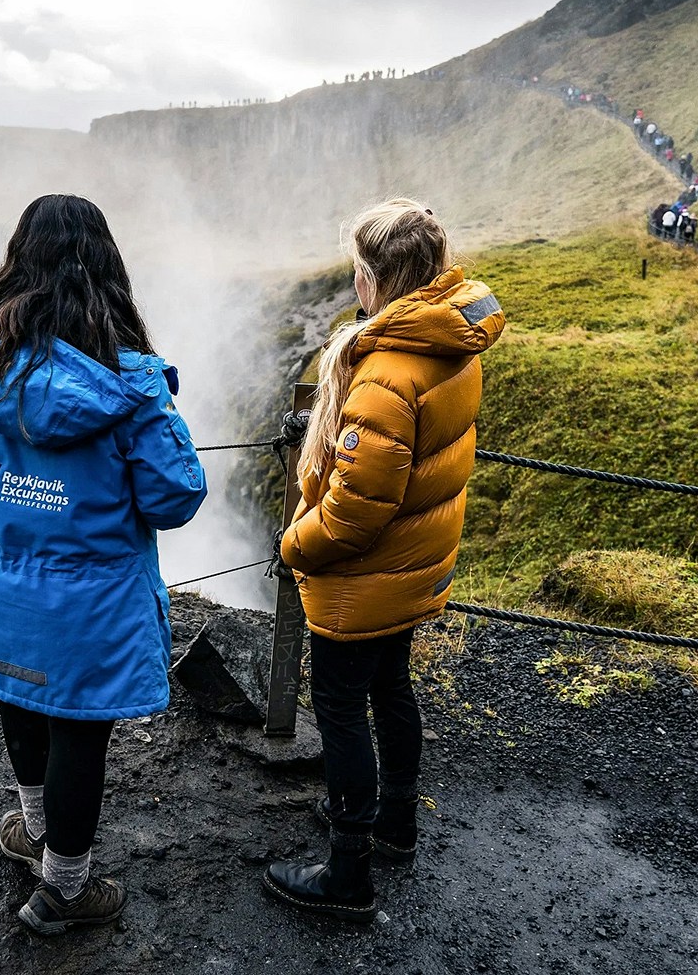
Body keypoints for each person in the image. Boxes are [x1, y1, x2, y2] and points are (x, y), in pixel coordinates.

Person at [0, 194, 207, 936]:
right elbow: (175, 497)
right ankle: (64, 890)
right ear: (105, 269)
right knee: (80, 731)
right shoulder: (128, 384)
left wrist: (5, 487)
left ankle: (31, 831)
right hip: (91, 602)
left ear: (17, 260)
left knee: (18, 700)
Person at [264, 198, 504, 923]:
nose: (354, 287)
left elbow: (354, 512)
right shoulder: (449, 342)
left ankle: (347, 872)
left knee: (338, 706)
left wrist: (291, 546)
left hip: (363, 581)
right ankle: (393, 823)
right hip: (412, 565)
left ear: (376, 277)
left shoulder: (384, 375)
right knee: (391, 686)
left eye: (357, 272)